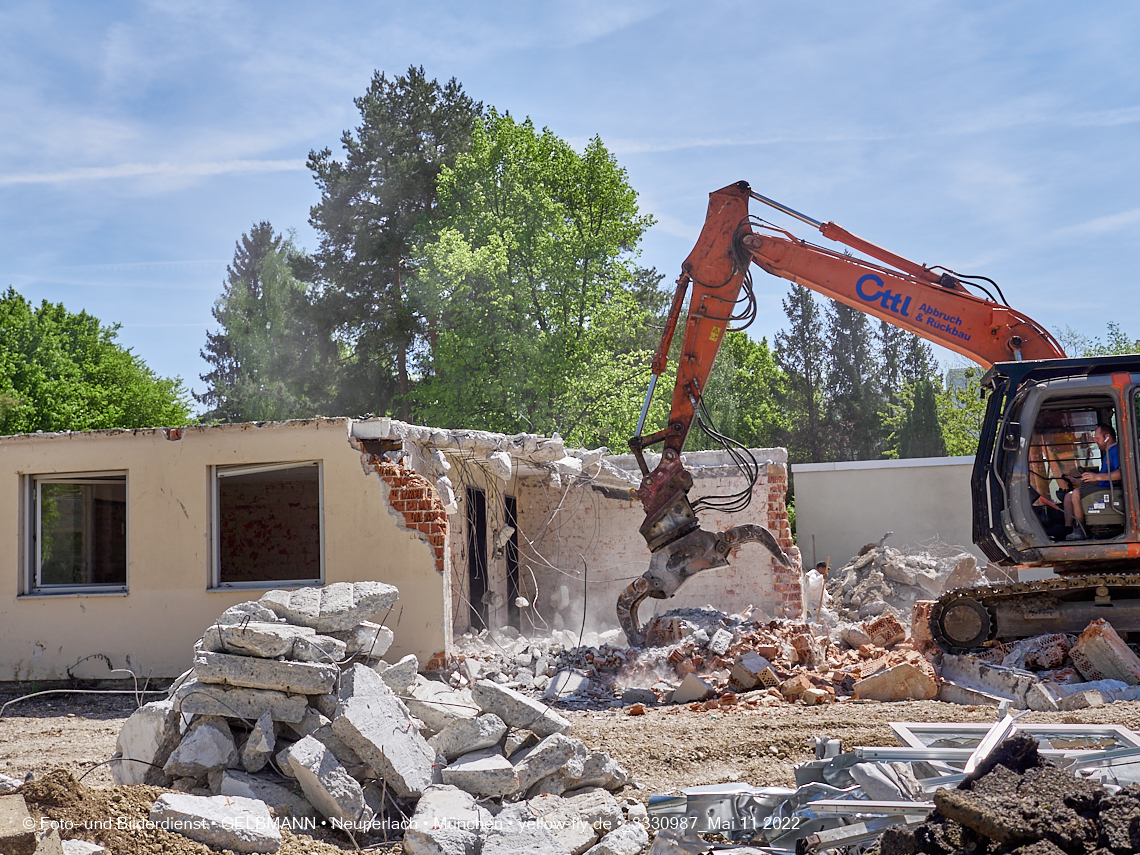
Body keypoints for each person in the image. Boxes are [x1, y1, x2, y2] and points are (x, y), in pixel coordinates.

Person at [1064, 423, 1121, 540]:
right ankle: (1068, 530)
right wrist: (1080, 481)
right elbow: (1102, 478)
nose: (1095, 441)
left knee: (1076, 494)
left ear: (1107, 437)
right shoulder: (1108, 452)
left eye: (1098, 438)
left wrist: (1096, 477)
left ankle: (1081, 530)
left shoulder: (1116, 451)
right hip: (1103, 488)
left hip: (1111, 491)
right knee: (1068, 497)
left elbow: (1121, 474)